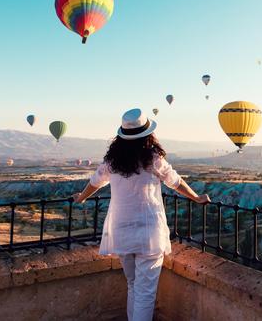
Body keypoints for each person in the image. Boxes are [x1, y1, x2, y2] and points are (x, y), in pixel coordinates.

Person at [73, 109, 209, 321]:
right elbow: (176, 182)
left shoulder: (112, 162)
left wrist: (81, 197)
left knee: (133, 285)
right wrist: (196, 197)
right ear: (148, 134)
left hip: (122, 230)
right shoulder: (153, 159)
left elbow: (94, 183)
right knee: (145, 293)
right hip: (148, 232)